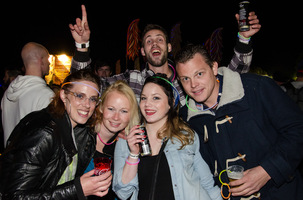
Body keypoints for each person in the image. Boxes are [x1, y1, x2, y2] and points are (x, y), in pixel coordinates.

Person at [175, 44, 303, 199]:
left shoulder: (256, 88)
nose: (193, 85)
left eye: (199, 74)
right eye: (185, 79)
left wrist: (267, 170)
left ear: (214, 68)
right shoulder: (187, 119)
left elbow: (297, 129)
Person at [69, 5, 261, 105]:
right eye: (149, 41)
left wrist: (243, 40)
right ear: (143, 51)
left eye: (160, 39)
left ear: (169, 47)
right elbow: (86, 84)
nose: (155, 43)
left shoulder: (187, 79)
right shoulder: (132, 79)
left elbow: (234, 75)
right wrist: (81, 47)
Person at [0, 69, 112, 199]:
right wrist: (77, 189)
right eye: (80, 96)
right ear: (64, 95)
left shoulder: (78, 129)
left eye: (92, 99)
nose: (87, 105)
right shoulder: (44, 133)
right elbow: (14, 196)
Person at [112, 74, 221, 200]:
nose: (147, 104)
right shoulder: (127, 139)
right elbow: (122, 193)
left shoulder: (186, 136)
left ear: (170, 103)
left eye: (156, 98)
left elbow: (207, 184)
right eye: (143, 98)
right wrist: (133, 154)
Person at [84, 80, 140, 200]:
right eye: (111, 109)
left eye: (123, 111)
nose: (116, 117)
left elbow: (123, 193)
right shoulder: (82, 134)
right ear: (101, 108)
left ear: (131, 115)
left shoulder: (124, 145)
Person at [1, 42, 54, 147]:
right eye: (48, 59)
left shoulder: (8, 93)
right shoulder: (45, 95)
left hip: (10, 160)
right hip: (31, 162)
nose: (49, 63)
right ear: (41, 60)